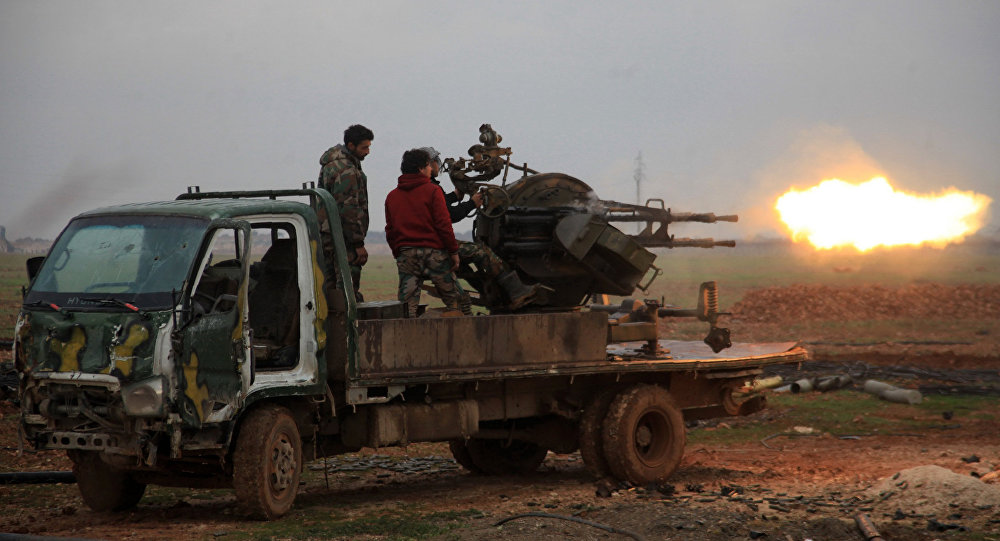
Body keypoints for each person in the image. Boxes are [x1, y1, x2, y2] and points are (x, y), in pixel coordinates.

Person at [419, 146, 542, 313]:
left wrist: (455, 196)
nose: (437, 166)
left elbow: (441, 205)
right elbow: (449, 215)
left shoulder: (423, 186)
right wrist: (472, 203)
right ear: (428, 164)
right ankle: (517, 292)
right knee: (483, 253)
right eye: (434, 162)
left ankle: (490, 293)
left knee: (462, 266)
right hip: (437, 246)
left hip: (425, 246)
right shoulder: (430, 188)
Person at [385, 148, 464, 318]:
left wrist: (399, 253)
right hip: (434, 255)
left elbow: (390, 231)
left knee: (407, 308)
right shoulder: (433, 191)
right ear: (421, 169)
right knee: (457, 302)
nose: (431, 169)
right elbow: (443, 225)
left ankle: (407, 340)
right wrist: (453, 251)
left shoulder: (392, 196)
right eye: (428, 166)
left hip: (407, 255)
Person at [318, 124, 373, 301]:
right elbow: (348, 210)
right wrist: (357, 243)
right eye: (364, 147)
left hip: (327, 235)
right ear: (351, 146)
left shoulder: (330, 165)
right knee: (346, 293)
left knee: (330, 288)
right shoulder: (347, 170)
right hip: (343, 239)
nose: (368, 152)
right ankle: (346, 326)